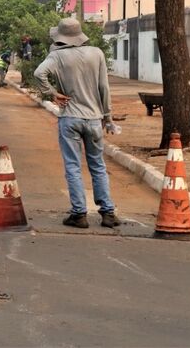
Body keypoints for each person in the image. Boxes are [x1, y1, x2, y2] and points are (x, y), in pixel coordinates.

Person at [34, 17, 118, 229]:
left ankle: (79, 214)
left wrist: (52, 93)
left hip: (70, 117)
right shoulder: (97, 53)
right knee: (97, 165)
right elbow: (104, 88)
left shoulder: (56, 56)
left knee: (73, 166)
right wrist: (107, 116)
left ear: (60, 37)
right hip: (94, 119)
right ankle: (108, 213)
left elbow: (38, 73)